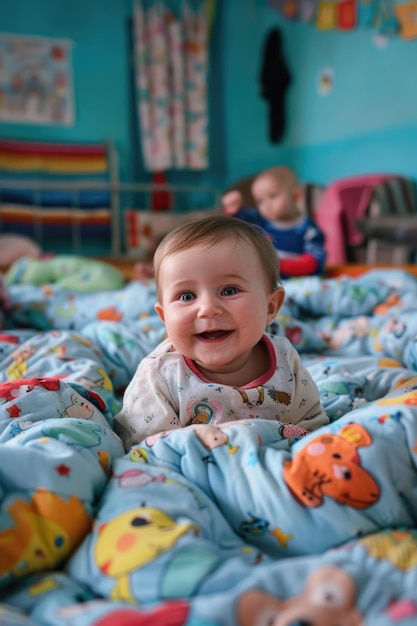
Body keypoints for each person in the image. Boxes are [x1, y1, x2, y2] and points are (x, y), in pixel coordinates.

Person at [115, 215, 328, 450]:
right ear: (164, 317)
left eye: (229, 290)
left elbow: (312, 430)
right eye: (187, 296)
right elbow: (148, 450)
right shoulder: (158, 376)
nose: (207, 309)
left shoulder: (285, 360)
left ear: (270, 307)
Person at [221, 166, 326, 279]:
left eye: (273, 196)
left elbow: (315, 261)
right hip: (270, 282)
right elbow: (240, 221)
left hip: (301, 282)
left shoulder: (307, 228)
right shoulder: (262, 221)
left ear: (295, 196)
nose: (267, 205)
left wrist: (277, 265)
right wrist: (235, 207)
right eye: (260, 201)